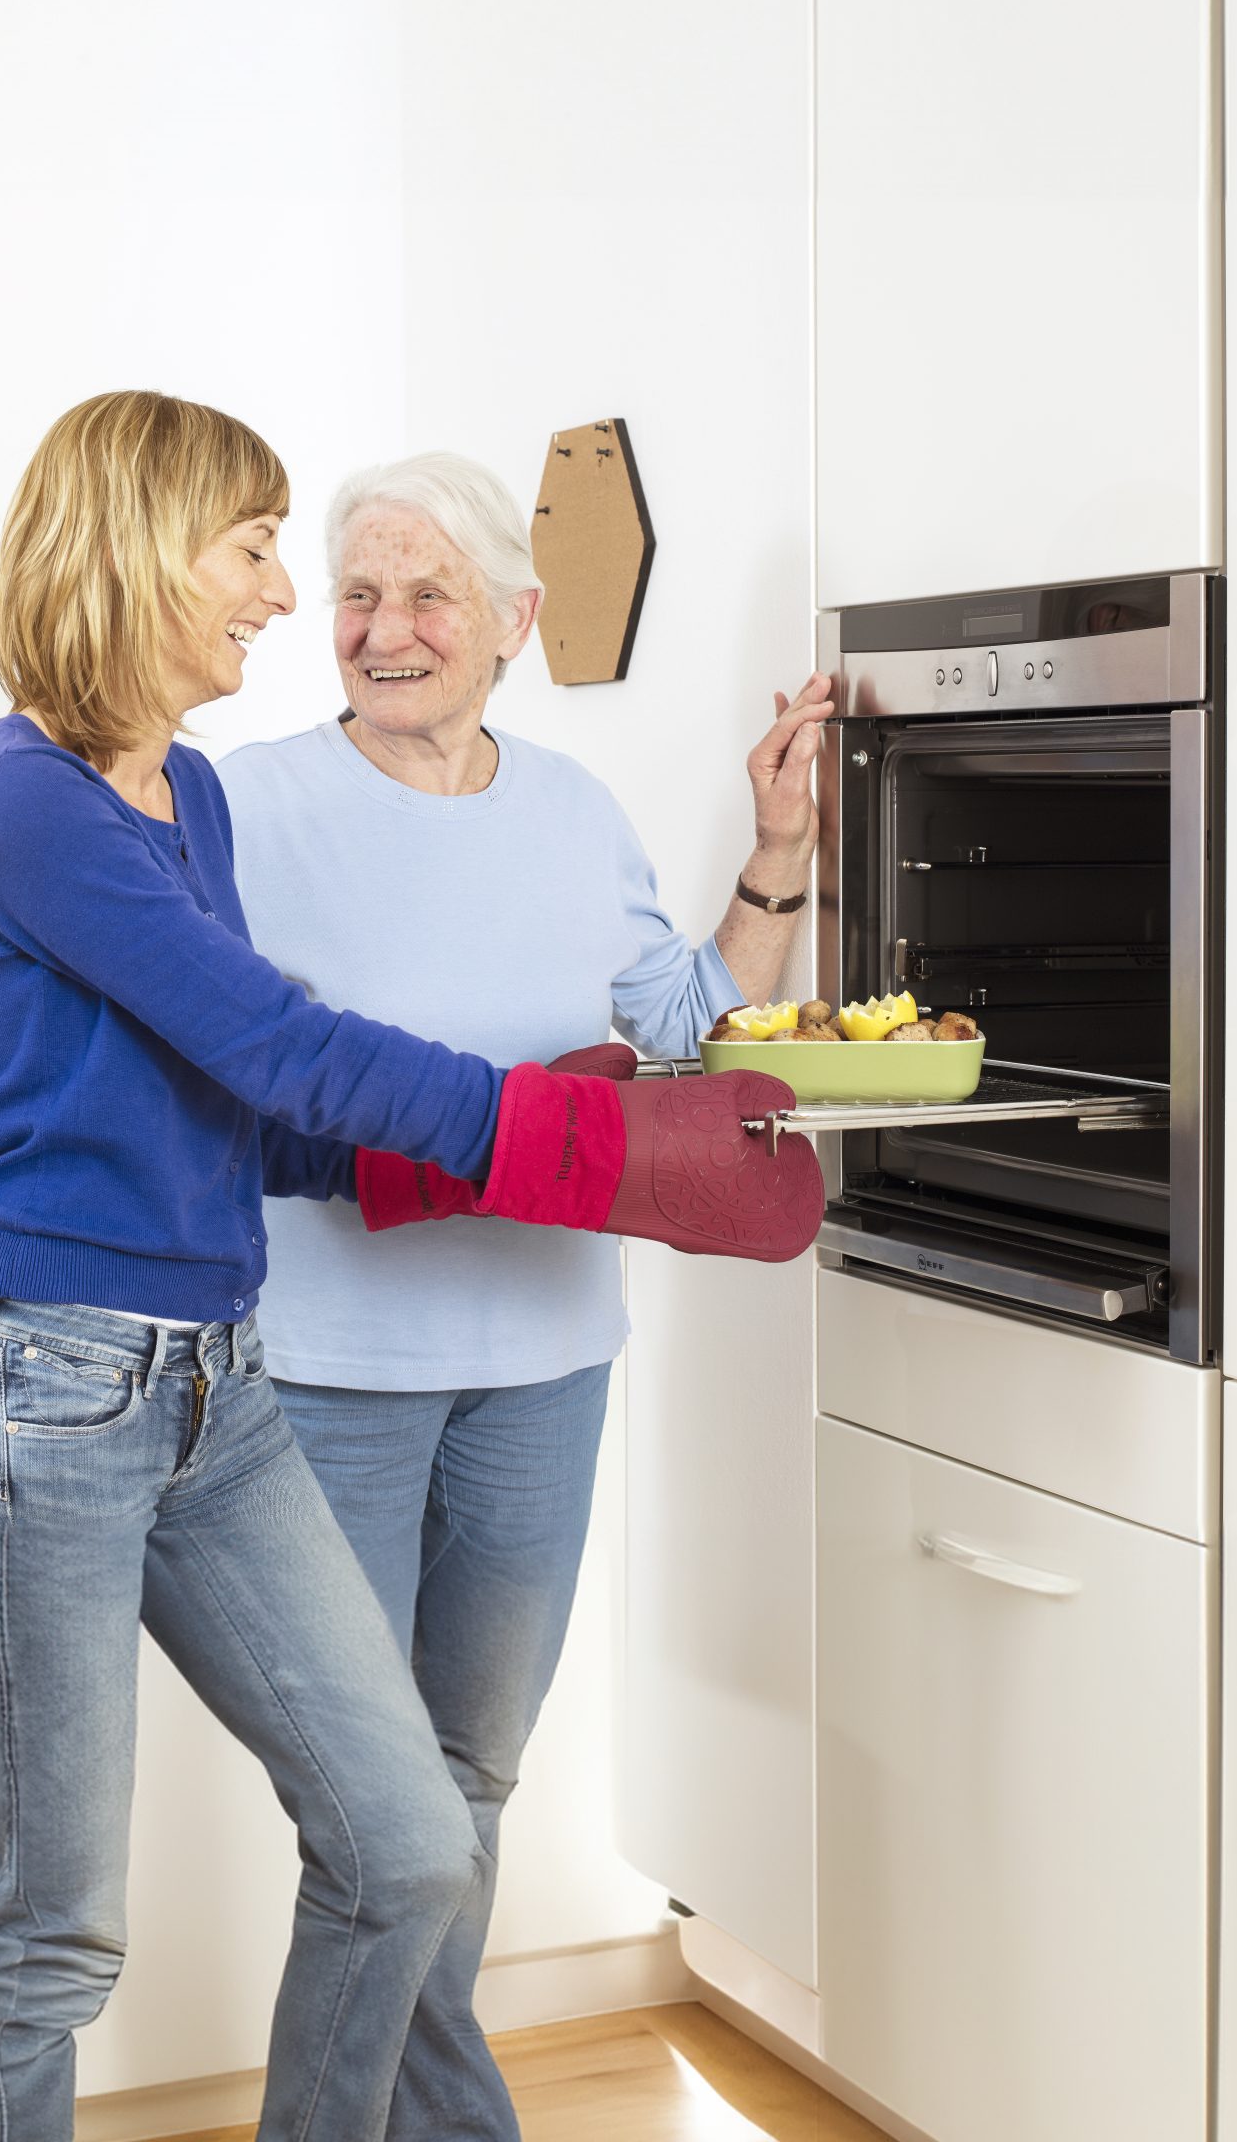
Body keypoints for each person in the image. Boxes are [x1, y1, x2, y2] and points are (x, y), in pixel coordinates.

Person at [0, 393, 819, 2142]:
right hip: (46, 1393)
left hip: (213, 1383)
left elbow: (250, 1116)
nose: (282, 593)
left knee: (410, 1840)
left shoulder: (177, 798)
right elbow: (277, 1043)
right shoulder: (21, 806)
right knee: (52, 1931)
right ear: (142, 553)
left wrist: (444, 1165)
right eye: (259, 550)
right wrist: (584, 1147)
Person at [218, 451, 832, 2142]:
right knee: (375, 1809)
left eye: (425, 596)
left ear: (511, 621)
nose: (382, 629)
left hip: (545, 1364)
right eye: (356, 594)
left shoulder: (571, 811)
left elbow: (683, 1025)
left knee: (465, 1782)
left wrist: (778, 851)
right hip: (331, 1365)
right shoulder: (248, 805)